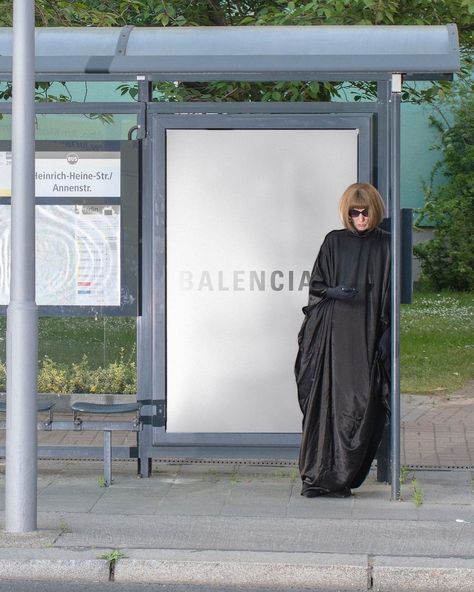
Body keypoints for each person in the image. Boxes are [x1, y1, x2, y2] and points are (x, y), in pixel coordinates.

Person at [295, 182, 391, 498]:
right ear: (347, 213)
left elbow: (391, 296)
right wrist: (335, 292)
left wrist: (385, 335)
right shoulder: (334, 242)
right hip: (333, 337)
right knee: (326, 402)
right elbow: (317, 284)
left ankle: (344, 475)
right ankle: (319, 477)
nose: (360, 218)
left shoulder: (385, 246)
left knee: (361, 402)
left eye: (365, 212)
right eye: (354, 212)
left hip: (365, 338)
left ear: (374, 211)